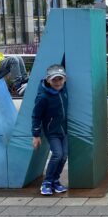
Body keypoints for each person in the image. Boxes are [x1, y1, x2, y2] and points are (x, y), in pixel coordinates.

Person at [31, 65, 69, 196]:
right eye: (54, 80)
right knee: (57, 154)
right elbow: (36, 115)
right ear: (48, 80)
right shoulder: (43, 97)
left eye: (60, 79)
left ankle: (55, 181)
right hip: (52, 131)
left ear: (65, 79)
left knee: (64, 155)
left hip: (64, 130)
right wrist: (36, 135)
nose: (58, 82)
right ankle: (46, 182)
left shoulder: (64, 90)